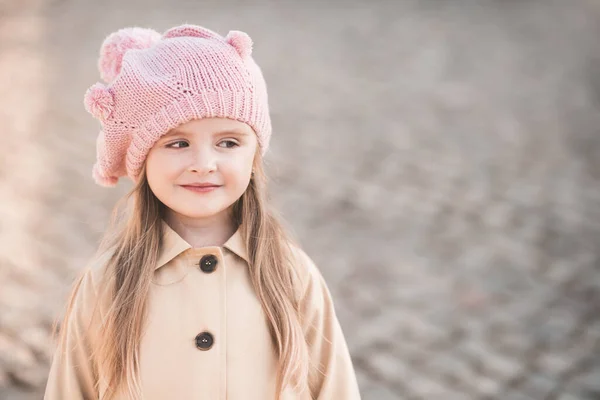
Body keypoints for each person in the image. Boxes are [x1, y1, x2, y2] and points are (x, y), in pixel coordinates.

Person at [43, 24, 361, 400]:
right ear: (142, 158)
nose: (204, 163)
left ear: (254, 155)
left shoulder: (292, 277)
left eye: (228, 142)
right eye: (177, 143)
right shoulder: (106, 284)